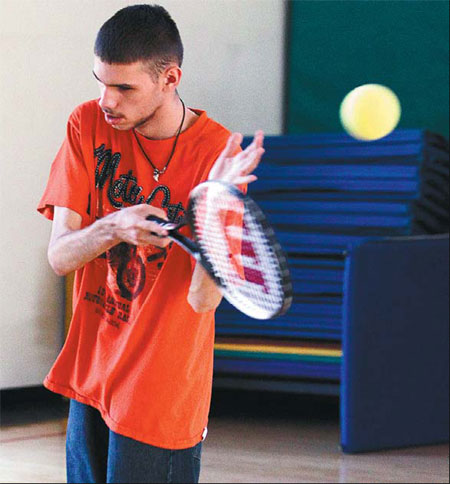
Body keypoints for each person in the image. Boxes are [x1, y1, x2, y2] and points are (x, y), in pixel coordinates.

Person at [37, 4, 264, 484]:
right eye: (100, 82)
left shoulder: (217, 155)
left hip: (161, 393)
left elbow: (203, 299)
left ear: (170, 78)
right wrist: (115, 227)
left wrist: (213, 211)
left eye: (123, 88)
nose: (107, 100)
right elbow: (59, 256)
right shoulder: (88, 124)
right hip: (91, 376)